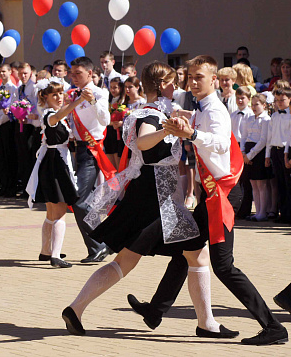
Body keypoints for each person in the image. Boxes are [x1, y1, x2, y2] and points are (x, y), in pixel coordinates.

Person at [63, 61, 237, 339]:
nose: (177, 85)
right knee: (194, 254)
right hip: (158, 198)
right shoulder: (152, 114)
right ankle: (207, 324)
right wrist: (167, 131)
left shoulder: (158, 110)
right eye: (172, 81)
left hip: (154, 194)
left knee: (128, 260)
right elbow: (144, 142)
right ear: (161, 85)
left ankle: (76, 308)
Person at [129, 55, 288, 346]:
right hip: (213, 194)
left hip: (223, 196)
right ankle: (155, 310)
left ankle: (273, 326)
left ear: (214, 80)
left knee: (223, 266)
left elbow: (221, 143)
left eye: (198, 77)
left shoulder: (214, 110)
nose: (192, 82)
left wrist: (192, 133)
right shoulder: (201, 109)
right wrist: (185, 124)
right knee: (186, 247)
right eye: (189, 77)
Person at [26, 78, 79, 268]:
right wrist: (78, 101)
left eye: (60, 93)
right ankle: (55, 256)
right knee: (59, 211)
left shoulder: (55, 114)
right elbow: (55, 118)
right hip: (55, 163)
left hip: (53, 161)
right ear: (45, 97)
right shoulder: (49, 114)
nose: (59, 97)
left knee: (51, 212)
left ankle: (45, 251)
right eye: (54, 94)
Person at [67, 56, 113, 263]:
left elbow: (106, 120)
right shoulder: (74, 94)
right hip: (77, 149)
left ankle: (101, 244)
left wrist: (93, 101)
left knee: (78, 200)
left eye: (79, 73)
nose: (74, 77)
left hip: (92, 150)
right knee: (78, 200)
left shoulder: (99, 93)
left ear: (90, 74)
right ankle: (98, 246)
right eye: (72, 73)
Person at [240, 93, 272, 221]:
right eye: (252, 105)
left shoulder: (266, 119)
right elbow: (244, 136)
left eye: (257, 104)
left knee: (261, 184)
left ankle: (263, 212)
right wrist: (243, 152)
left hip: (258, 153)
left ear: (264, 105)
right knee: (253, 183)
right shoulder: (249, 118)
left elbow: (263, 140)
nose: (253, 107)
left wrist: (250, 155)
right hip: (247, 152)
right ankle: (257, 211)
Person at [0, 63, 18, 196]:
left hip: (7, 125)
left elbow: (11, 111)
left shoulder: (13, 89)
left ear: (10, 72)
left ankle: (11, 187)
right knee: (0, 157)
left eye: (4, 71)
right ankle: (4, 185)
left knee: (9, 156)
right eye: (0, 72)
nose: (2, 74)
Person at [266, 87, 291, 223]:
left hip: (286, 150)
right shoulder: (274, 116)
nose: (280, 103)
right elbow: (270, 137)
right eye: (277, 100)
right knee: (279, 183)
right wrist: (267, 155)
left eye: (283, 100)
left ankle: (289, 214)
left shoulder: (290, 115)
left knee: (288, 183)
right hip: (275, 151)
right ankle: (283, 213)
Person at [16, 62, 40, 197]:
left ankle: (33, 190)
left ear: (30, 73)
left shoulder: (34, 88)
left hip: (32, 125)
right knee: (23, 157)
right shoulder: (20, 88)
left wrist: (31, 116)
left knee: (31, 158)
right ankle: (26, 188)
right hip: (22, 125)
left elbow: (37, 106)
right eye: (20, 73)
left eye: (25, 73)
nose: (23, 76)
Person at [231, 87, 254, 219]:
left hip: (246, 147)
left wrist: (244, 151)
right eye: (238, 98)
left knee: (246, 180)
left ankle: (246, 210)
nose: (240, 100)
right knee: (236, 179)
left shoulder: (251, 115)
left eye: (243, 98)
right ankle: (237, 209)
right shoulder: (232, 115)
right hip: (234, 147)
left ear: (248, 99)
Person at [105, 78, 125, 169]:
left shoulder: (123, 101)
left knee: (118, 159)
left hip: (117, 131)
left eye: (115, 87)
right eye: (111, 87)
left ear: (121, 88)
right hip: (108, 130)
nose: (112, 90)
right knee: (109, 157)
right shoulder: (107, 99)